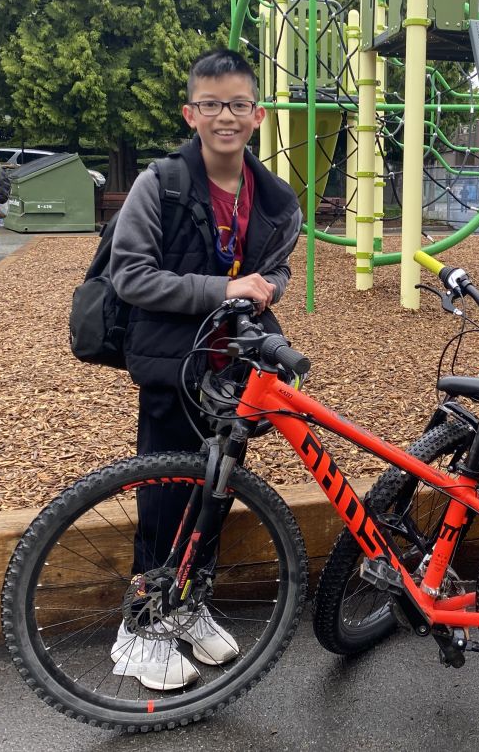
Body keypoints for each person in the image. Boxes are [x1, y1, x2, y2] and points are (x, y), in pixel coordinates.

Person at [108, 48, 301, 690]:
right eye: (212, 104)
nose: (226, 116)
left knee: (216, 490)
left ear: (257, 115)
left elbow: (275, 270)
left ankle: (186, 608)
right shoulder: (160, 183)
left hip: (234, 369)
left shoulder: (274, 197)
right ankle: (140, 626)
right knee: (164, 496)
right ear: (191, 113)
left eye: (239, 105)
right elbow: (130, 275)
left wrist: (263, 286)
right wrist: (225, 289)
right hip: (172, 364)